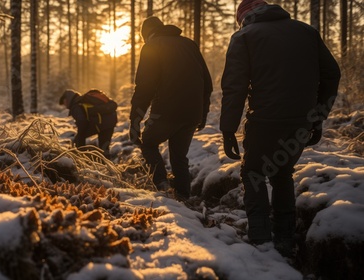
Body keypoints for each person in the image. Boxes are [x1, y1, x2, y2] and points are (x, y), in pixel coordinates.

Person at [220, 0, 340, 257]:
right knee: (282, 172)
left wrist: (228, 129)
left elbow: (235, 87)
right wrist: (317, 117)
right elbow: (332, 74)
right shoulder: (306, 31)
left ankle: (261, 239)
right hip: (300, 121)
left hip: (265, 121)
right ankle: (285, 238)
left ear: (244, 18)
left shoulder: (244, 36)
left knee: (253, 172)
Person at [129, 16, 213, 200]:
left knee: (148, 143)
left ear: (146, 34)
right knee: (179, 156)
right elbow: (207, 83)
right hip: (192, 113)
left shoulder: (152, 46)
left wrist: (135, 121)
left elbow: (145, 87)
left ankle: (162, 186)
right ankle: (184, 196)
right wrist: (202, 114)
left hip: (166, 111)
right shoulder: (189, 45)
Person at [60, 89, 118, 158]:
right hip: (110, 121)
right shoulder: (82, 101)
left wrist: (80, 139)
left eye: (64, 102)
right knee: (104, 147)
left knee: (79, 139)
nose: (65, 105)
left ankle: (81, 158)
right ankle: (107, 164)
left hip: (102, 124)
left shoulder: (76, 106)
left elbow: (82, 122)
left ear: (67, 99)